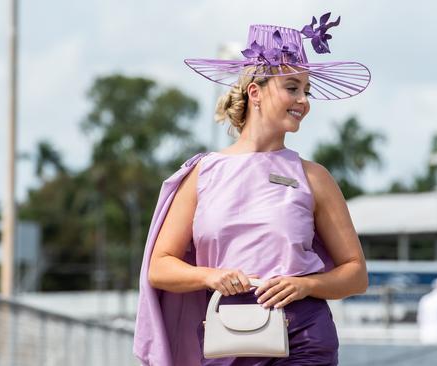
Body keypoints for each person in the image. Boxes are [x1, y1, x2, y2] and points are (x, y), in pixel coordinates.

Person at [133, 13, 372, 366]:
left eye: (306, 90)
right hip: (225, 335)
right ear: (255, 92)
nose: (303, 100)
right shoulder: (202, 173)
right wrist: (210, 276)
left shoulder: (314, 177)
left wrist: (306, 285)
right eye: (292, 87)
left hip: (303, 338)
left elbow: (356, 274)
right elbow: (160, 267)